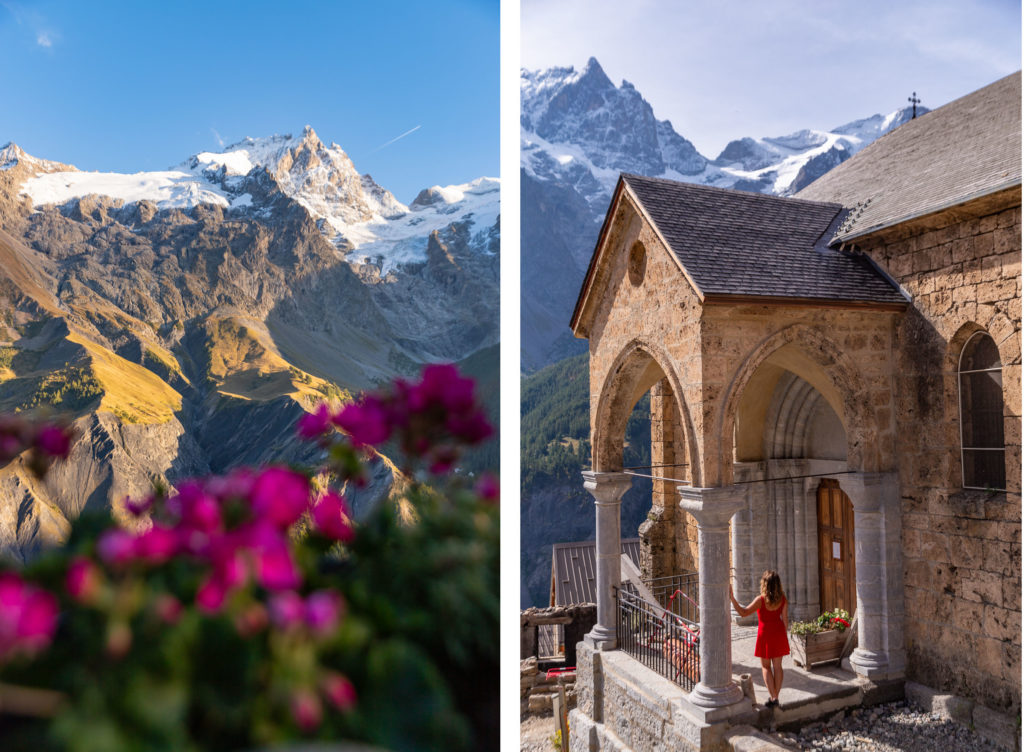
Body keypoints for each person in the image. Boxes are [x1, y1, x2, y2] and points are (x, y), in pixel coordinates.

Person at [729, 570, 789, 708]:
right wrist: (783, 637)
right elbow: (785, 620)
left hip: (765, 635)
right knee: (778, 667)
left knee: (766, 667)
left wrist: (732, 598)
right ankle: (775, 697)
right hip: (779, 634)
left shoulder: (760, 600)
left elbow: (743, 613)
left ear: (764, 584)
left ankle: (773, 698)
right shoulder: (783, 599)